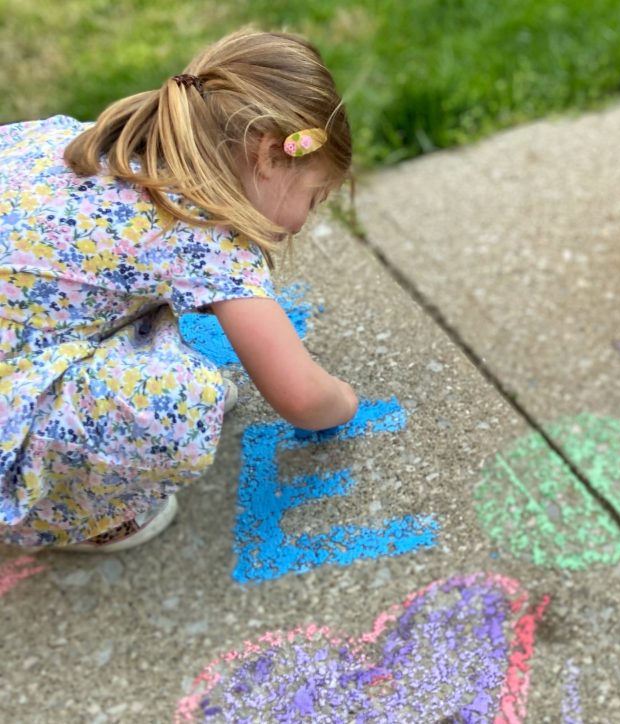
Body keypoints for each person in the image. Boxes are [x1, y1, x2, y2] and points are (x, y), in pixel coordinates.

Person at [0, 30, 360, 552]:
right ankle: (71, 515)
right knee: (181, 402)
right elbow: (304, 399)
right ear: (267, 156)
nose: (305, 222)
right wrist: (344, 402)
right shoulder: (204, 234)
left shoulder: (102, 143)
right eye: (314, 195)